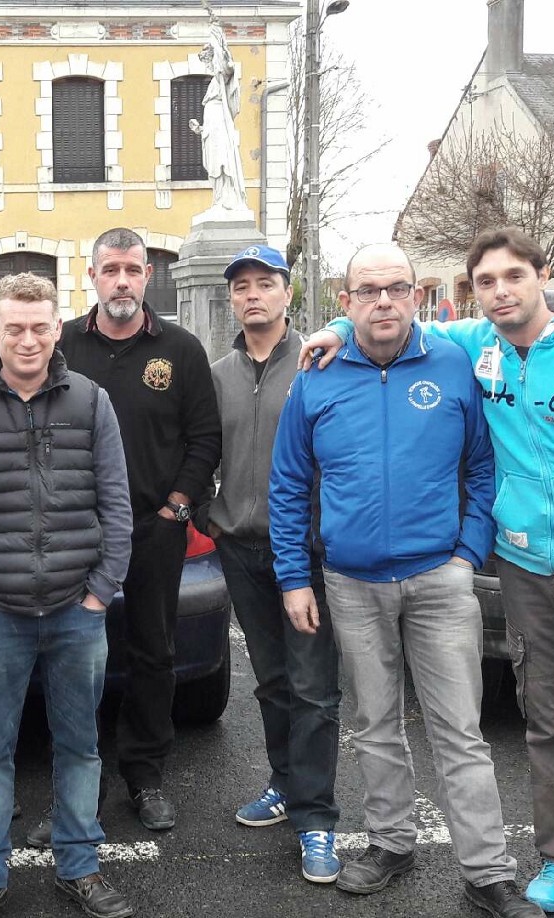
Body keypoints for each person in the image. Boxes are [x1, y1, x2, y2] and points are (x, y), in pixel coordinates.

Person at [301, 229, 554, 918]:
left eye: (513, 276)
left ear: (542, 277)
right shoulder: (474, 345)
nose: (500, 292)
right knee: (548, 724)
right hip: (523, 569)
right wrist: (340, 325)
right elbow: (392, 312)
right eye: (485, 282)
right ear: (473, 291)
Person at [271, 244, 543, 918]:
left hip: (438, 578)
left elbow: (484, 468)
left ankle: (486, 872)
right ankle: (392, 841)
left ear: (417, 295)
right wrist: (293, 578)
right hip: (351, 583)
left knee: (459, 729)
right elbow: (286, 486)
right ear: (346, 301)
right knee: (374, 723)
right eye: (368, 291)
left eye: (396, 288)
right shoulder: (317, 376)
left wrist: (467, 553)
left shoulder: (455, 365)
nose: (383, 301)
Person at [0, 273, 136, 918]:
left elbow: (118, 505)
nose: (27, 339)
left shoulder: (91, 401)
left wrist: (101, 593)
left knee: (80, 746)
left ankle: (81, 867)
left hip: (79, 611)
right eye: (13, 327)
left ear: (57, 327)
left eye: (39, 326)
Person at [52, 227, 222, 836]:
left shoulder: (180, 349)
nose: (121, 280)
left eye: (132, 269)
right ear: (91, 275)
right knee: (75, 655)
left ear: (149, 276)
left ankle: (145, 775)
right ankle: (80, 783)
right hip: (75, 530)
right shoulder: (62, 344)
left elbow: (204, 438)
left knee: (154, 650)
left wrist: (177, 507)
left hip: (154, 528)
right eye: (110, 269)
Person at [204, 245, 342, 884]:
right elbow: (203, 452)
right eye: (242, 288)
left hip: (306, 554)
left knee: (313, 686)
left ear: (288, 292)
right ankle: (284, 782)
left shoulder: (320, 365)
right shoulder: (219, 373)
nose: (252, 295)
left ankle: (316, 820)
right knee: (269, 681)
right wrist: (210, 513)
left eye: (265, 284)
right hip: (239, 547)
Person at [188, 14, 250, 216]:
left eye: (208, 59)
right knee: (214, 162)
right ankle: (219, 199)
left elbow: (223, 62)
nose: (207, 64)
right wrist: (201, 130)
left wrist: (215, 31)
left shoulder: (222, 78)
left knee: (223, 160)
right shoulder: (214, 84)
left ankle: (227, 199)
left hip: (219, 124)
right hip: (212, 126)